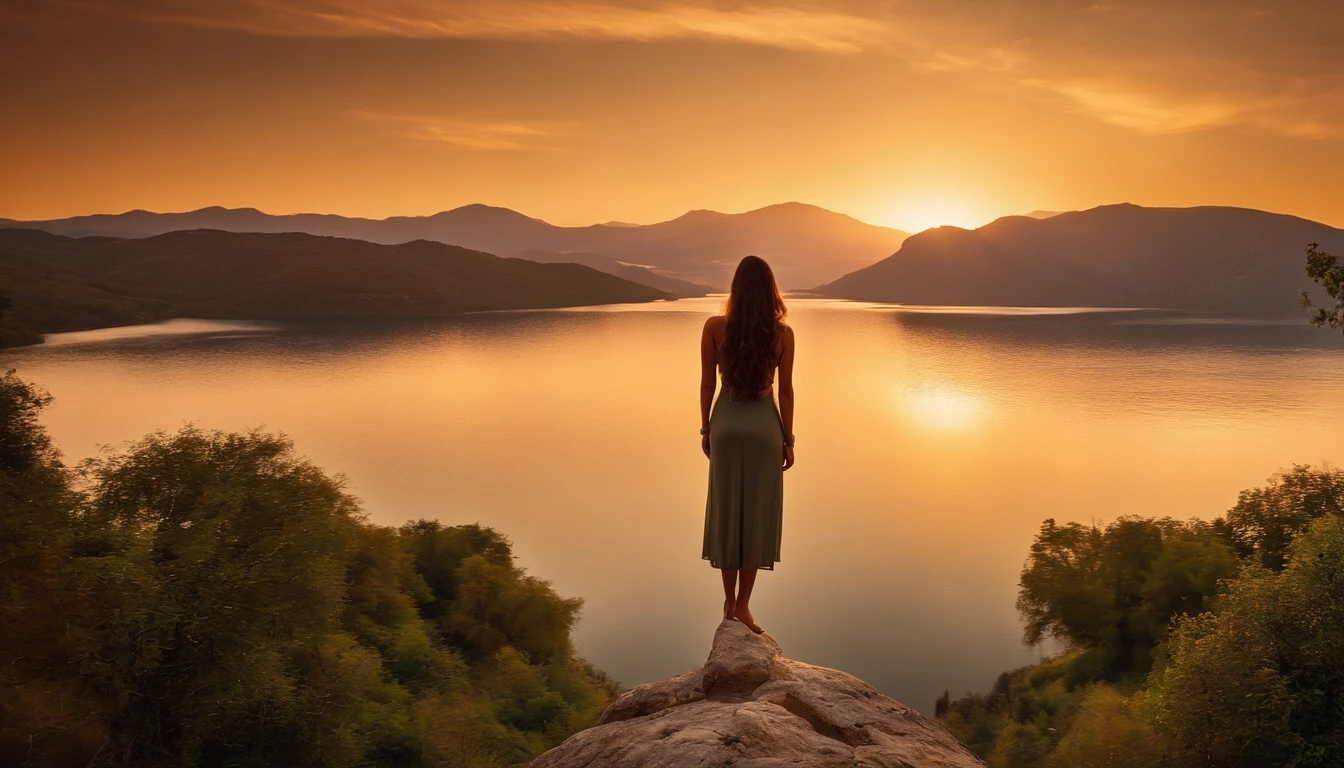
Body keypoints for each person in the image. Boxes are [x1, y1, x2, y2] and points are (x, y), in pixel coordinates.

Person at [699, 255, 795, 635]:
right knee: (755, 514)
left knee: (728, 511)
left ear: (735, 289)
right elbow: (785, 391)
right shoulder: (782, 334)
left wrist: (707, 429)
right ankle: (744, 605)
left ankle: (727, 601)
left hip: (726, 424)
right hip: (763, 430)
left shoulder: (713, 327)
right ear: (771, 291)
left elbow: (708, 384)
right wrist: (787, 438)